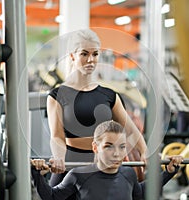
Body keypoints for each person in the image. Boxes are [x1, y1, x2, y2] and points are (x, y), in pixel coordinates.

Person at [46, 29, 148, 190]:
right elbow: (57, 136)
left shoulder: (109, 95)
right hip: (71, 163)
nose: (90, 60)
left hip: (104, 163)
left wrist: (144, 151)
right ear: (73, 55)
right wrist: (59, 158)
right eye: (84, 54)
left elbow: (130, 129)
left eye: (95, 54)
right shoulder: (57, 95)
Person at [31, 120, 183, 200]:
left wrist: (168, 173)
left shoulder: (128, 174)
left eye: (122, 147)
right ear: (96, 147)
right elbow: (51, 197)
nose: (117, 154)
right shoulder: (78, 175)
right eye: (109, 147)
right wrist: (37, 174)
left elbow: (141, 193)